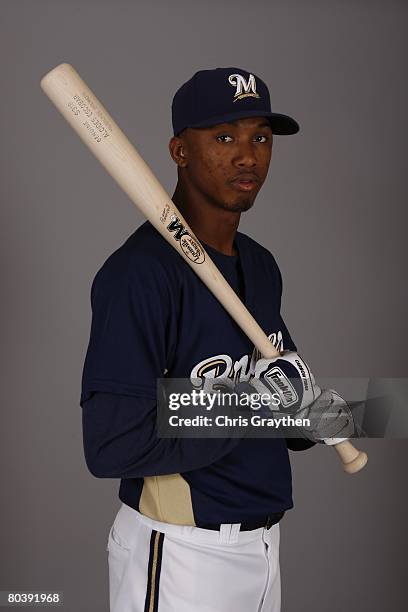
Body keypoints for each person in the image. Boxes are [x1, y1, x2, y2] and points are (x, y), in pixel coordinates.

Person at [80, 67, 353, 612]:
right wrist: (252, 403)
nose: (247, 155)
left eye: (260, 137)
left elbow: (286, 407)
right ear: (180, 150)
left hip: (266, 549)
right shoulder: (139, 275)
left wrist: (328, 414)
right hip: (180, 552)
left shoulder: (260, 265)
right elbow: (111, 441)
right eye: (224, 137)